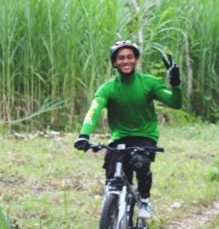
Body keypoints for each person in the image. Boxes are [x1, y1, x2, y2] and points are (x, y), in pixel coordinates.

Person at [73, 40, 182, 218]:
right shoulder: (108, 88)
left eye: (130, 57)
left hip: (145, 135)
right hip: (119, 137)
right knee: (112, 171)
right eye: (121, 58)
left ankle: (145, 199)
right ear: (114, 62)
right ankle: (113, 213)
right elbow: (94, 111)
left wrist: (175, 84)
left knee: (140, 162)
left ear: (136, 59)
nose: (126, 61)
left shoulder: (149, 83)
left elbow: (176, 103)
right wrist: (84, 135)